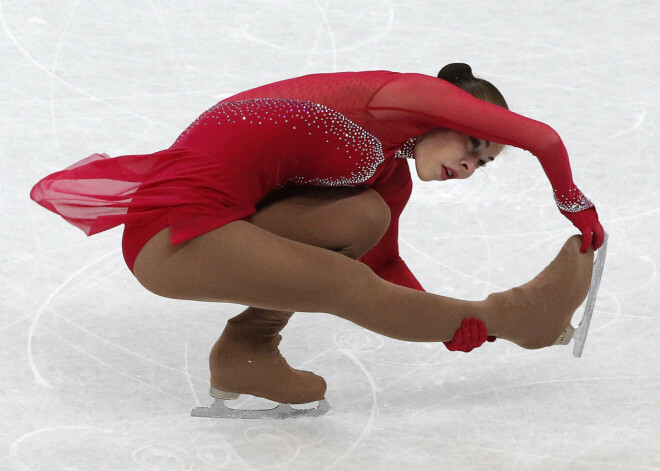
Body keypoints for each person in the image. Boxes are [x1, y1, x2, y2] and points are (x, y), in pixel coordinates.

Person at [30, 64, 605, 415]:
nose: (472, 167)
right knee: (339, 282)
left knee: (362, 219)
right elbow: (544, 139)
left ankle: (245, 354)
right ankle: (520, 315)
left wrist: (449, 327)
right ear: (446, 109)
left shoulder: (387, 168)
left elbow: (384, 266)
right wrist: (575, 206)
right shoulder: (397, 95)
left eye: (486, 165)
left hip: (228, 225)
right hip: (172, 235)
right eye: (473, 147)